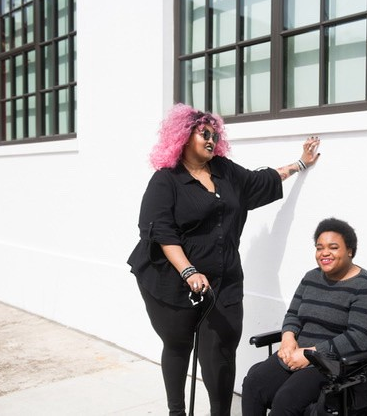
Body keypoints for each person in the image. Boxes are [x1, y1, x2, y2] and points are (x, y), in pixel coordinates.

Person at [127, 103, 321, 416]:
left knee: (220, 352)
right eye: (204, 133)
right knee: (178, 345)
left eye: (215, 135)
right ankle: (177, 412)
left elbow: (261, 181)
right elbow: (162, 233)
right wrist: (189, 271)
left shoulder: (225, 171)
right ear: (183, 136)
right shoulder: (166, 181)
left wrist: (300, 163)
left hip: (224, 280)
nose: (211, 140)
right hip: (171, 282)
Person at [241, 217, 367, 415]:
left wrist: (312, 354)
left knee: (286, 400)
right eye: (319, 247)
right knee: (253, 385)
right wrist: (288, 338)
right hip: (296, 353)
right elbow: (293, 314)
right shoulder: (311, 277)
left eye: (333, 247)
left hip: (332, 364)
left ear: (350, 250)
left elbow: (359, 338)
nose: (325, 253)